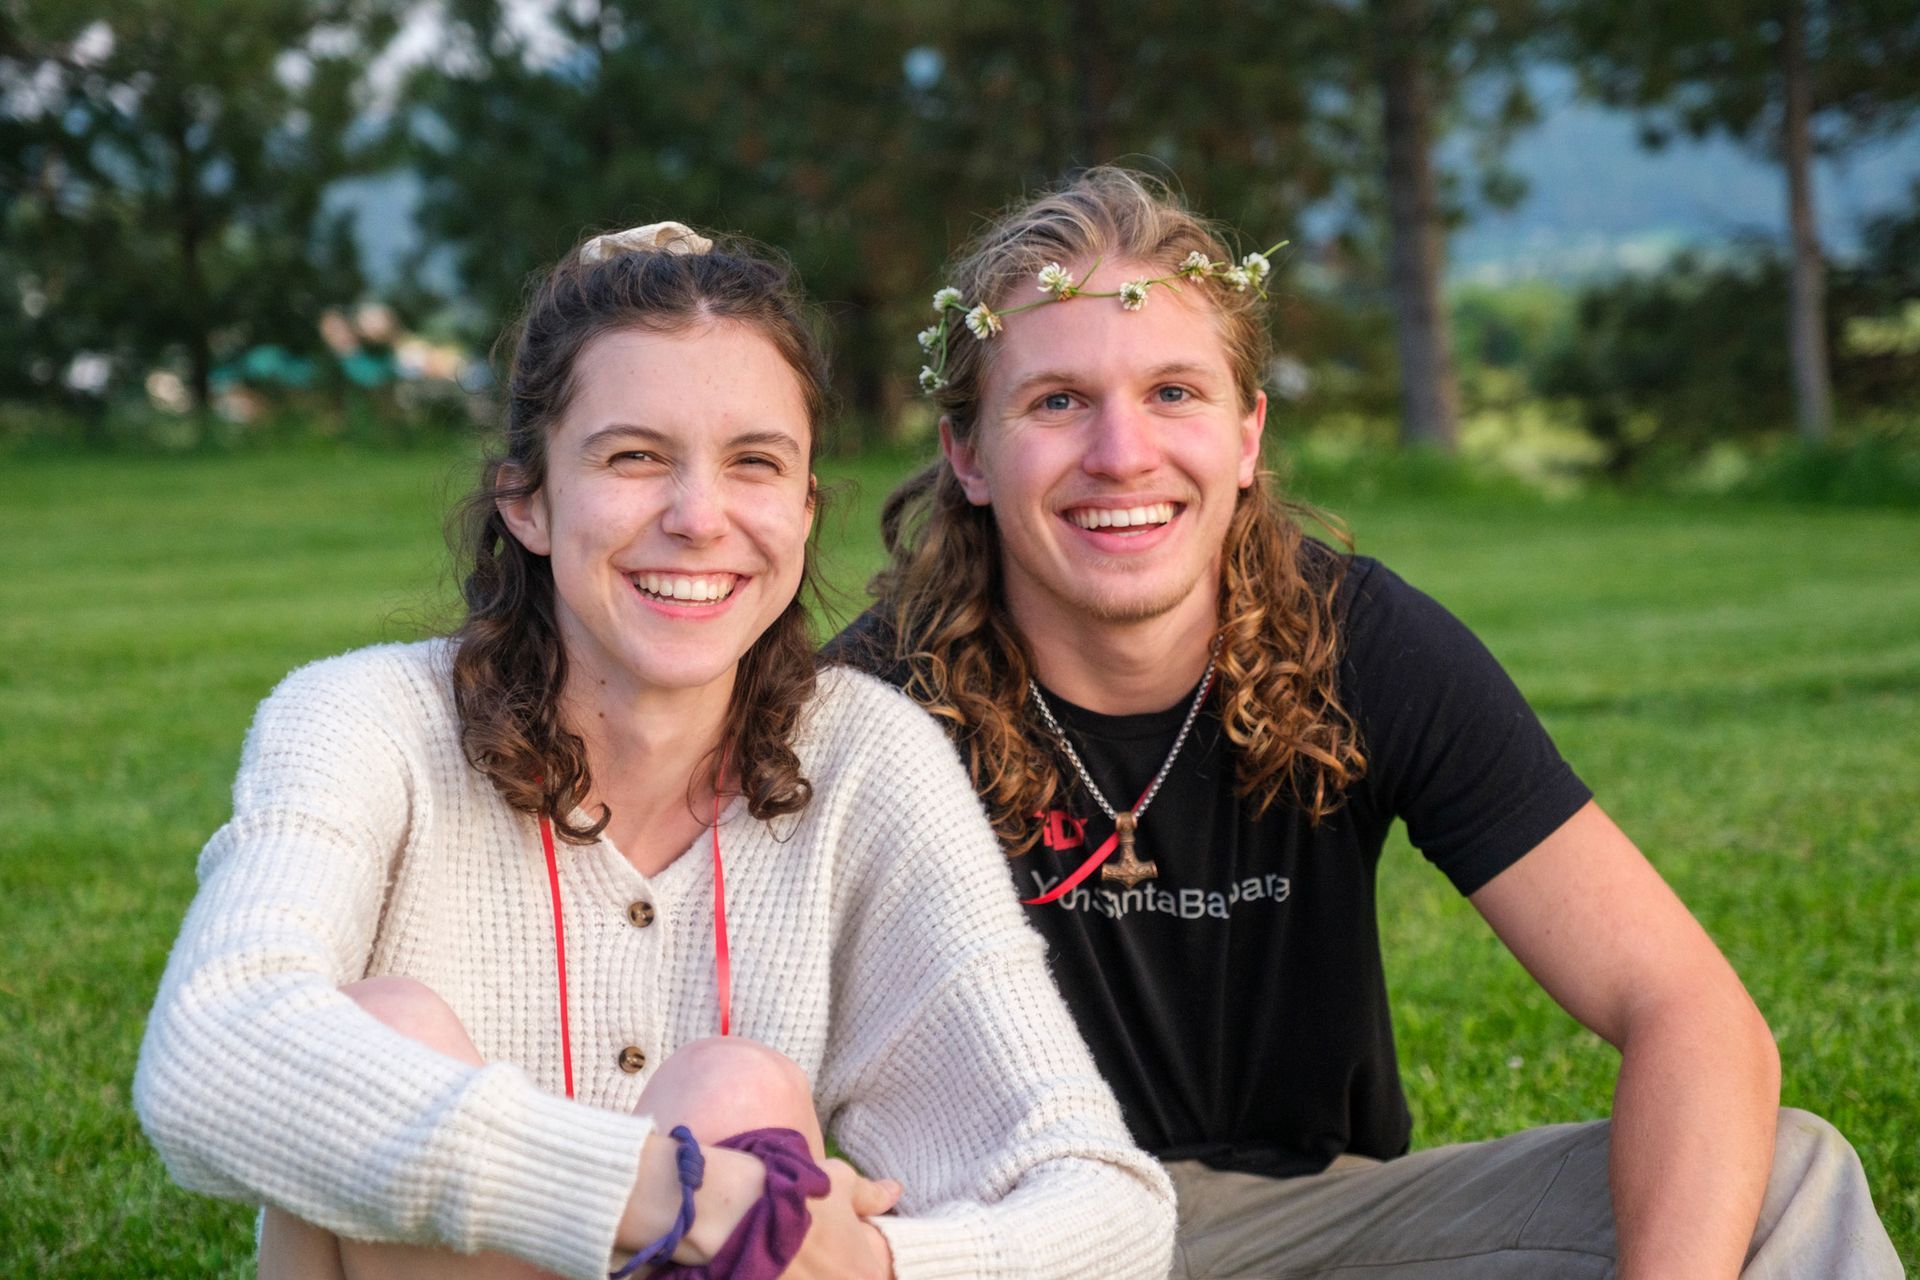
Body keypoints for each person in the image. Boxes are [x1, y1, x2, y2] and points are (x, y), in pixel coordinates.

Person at [830, 169, 1902, 1278]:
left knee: (1781, 1170)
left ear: (1246, 437)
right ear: (967, 454)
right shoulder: (866, 710)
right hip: (1017, 1239)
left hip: (1315, 1228)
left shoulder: (1354, 640)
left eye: (1173, 394)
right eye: (1056, 400)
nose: (1121, 453)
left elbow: (1687, 1008)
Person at [134, 221, 1175, 1280]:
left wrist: (864, 1261)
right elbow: (207, 1058)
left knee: (735, 1090)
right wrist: (686, 1193)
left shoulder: (865, 757)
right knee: (381, 1028)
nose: (697, 516)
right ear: (528, 500)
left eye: (755, 463)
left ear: (806, 509)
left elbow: (1109, 1203)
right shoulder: (360, 719)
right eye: (634, 456)